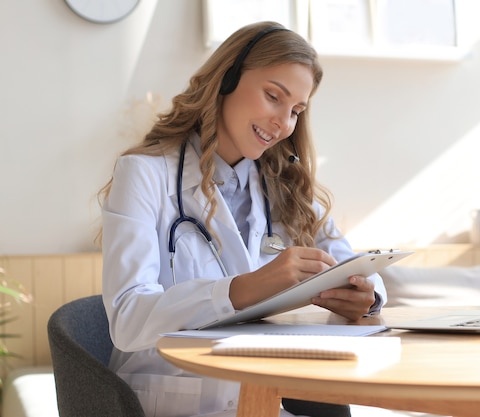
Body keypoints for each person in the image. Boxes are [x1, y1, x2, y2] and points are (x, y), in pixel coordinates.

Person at [99, 21, 387, 417]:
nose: (283, 123)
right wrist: (244, 288)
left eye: (296, 111)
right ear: (228, 77)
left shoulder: (284, 187)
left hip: (263, 399)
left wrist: (366, 295)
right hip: (177, 403)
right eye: (273, 96)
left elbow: (352, 263)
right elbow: (128, 318)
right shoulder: (145, 174)